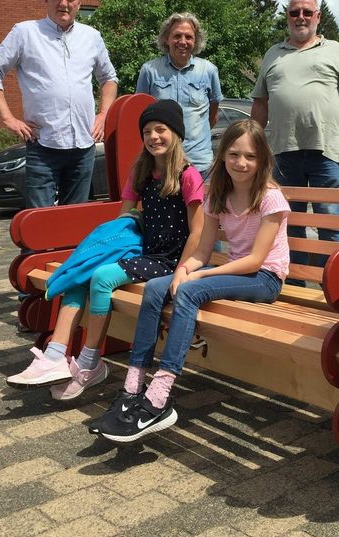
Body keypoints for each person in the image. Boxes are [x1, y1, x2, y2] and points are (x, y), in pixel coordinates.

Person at [93, 119, 290, 442]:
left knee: (189, 292)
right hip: (235, 273)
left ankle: (160, 394)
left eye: (251, 157)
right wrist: (185, 268)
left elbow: (255, 261)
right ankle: (133, 384)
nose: (241, 163)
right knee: (157, 288)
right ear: (222, 155)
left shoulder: (270, 198)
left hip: (264, 278)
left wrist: (198, 275)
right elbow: (201, 249)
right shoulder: (218, 197)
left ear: (263, 159)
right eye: (234, 154)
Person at [5, 100, 205, 400]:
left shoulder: (188, 176)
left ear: (176, 133)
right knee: (82, 275)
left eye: (160, 130)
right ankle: (55, 354)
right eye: (147, 131)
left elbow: (198, 232)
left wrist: (182, 269)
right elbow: (124, 218)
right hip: (145, 252)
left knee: (101, 277)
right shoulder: (142, 171)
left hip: (170, 260)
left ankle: (89, 362)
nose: (153, 137)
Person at [0, 0, 118, 208]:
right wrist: (9, 119)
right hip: (43, 145)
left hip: (84, 148)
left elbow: (109, 78)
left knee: (75, 222)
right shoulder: (25, 33)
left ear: (79, 3)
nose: (64, 4)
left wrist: (104, 115)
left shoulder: (92, 37)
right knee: (41, 223)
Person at [251, 0, 339, 278]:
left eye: (308, 12)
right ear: (287, 17)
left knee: (328, 222)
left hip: (327, 151)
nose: (301, 17)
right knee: (288, 221)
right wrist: (252, 144)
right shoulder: (274, 53)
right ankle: (295, 281)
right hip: (283, 152)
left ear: (318, 17)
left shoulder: (336, 50)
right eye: (295, 12)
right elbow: (260, 103)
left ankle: (330, 284)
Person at [136, 12, 224, 178]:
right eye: (177, 36)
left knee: (201, 205)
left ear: (195, 41)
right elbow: (141, 116)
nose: (183, 42)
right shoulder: (150, 71)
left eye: (188, 37)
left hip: (199, 165)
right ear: (166, 39)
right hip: (163, 164)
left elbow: (212, 117)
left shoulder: (209, 70)